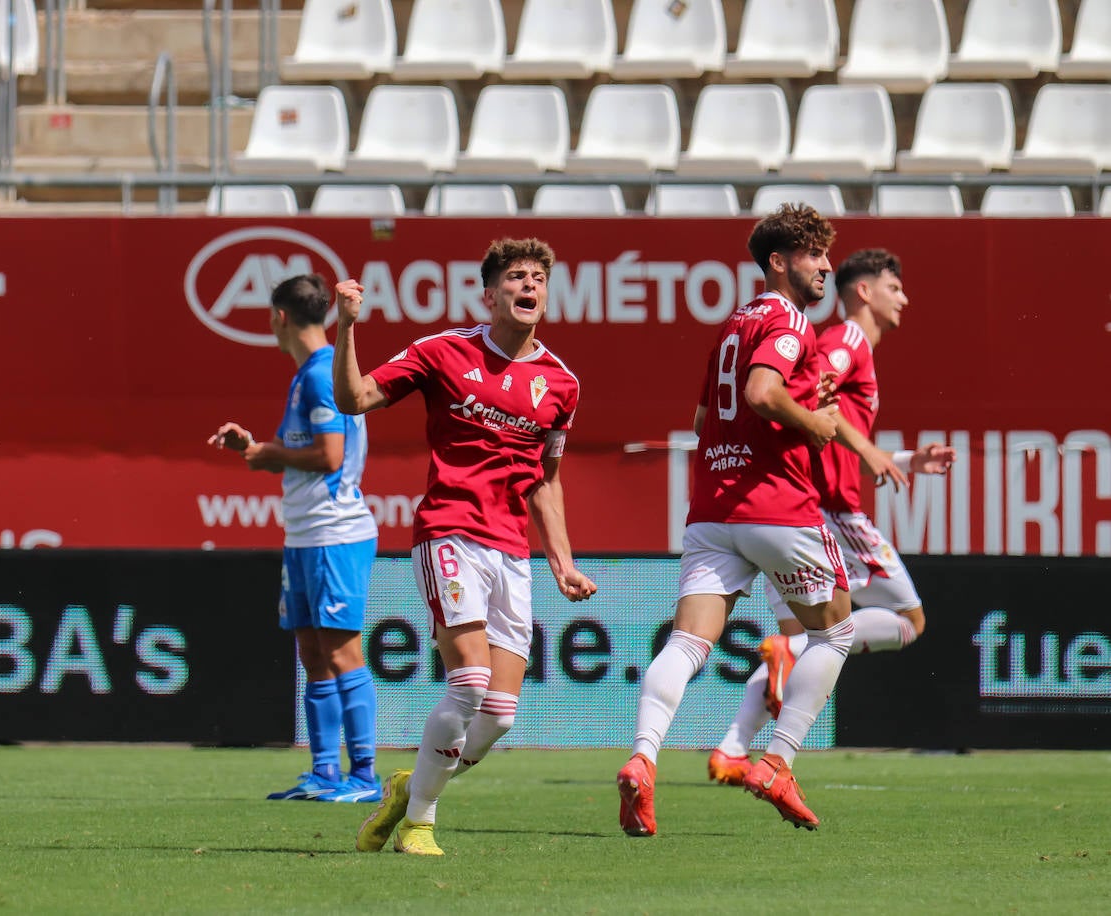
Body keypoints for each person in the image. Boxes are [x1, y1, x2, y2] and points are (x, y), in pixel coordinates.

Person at [332, 238, 598, 857]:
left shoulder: (561, 383)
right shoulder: (443, 352)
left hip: (511, 551)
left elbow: (545, 480)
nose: (528, 286)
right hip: (449, 530)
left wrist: (562, 560)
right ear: (490, 293)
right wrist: (345, 327)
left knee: (500, 714)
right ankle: (419, 824)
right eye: (514, 277)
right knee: (470, 679)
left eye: (537, 278)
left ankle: (409, 786)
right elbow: (354, 399)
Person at [618, 203, 854, 836]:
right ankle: (777, 761)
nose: (827, 265)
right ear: (779, 262)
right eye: (814, 254)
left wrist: (798, 402)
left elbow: (705, 422)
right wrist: (816, 423)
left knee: (689, 641)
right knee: (834, 633)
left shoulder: (732, 325)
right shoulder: (788, 320)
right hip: (775, 504)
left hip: (713, 508)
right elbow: (759, 393)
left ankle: (643, 758)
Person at [706, 249, 957, 786]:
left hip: (800, 507)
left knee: (802, 636)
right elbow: (826, 401)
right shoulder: (847, 342)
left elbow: (832, 420)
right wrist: (869, 454)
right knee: (907, 622)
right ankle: (786, 661)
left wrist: (904, 460)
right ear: (864, 291)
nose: (904, 298)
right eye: (895, 287)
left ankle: (731, 748)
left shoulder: (847, 345)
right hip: (832, 511)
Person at [208, 274, 381, 804]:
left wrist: (269, 453)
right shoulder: (309, 374)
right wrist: (254, 448)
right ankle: (325, 771)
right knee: (311, 649)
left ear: (279, 317)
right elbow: (299, 456)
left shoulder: (322, 375)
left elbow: (328, 458)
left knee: (341, 650)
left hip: (335, 531)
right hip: (306, 533)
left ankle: (365, 776)